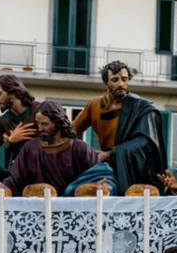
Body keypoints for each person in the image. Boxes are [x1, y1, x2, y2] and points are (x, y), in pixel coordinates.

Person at [71, 61, 166, 192]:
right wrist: (83, 153)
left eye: (124, 79)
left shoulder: (140, 107)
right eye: (115, 80)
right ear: (106, 82)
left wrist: (110, 154)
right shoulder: (94, 105)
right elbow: (72, 131)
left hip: (132, 168)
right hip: (104, 166)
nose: (121, 84)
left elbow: (146, 143)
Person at [0, 101, 104, 198]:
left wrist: (99, 185)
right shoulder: (30, 148)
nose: (40, 129)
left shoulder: (81, 149)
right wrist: (3, 188)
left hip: (73, 210)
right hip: (39, 209)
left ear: (58, 123)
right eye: (38, 123)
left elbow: (96, 177)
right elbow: (14, 179)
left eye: (45, 124)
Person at [0, 75, 38, 182]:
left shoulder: (40, 111)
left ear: (13, 93)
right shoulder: (1, 123)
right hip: (17, 183)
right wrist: (10, 142)